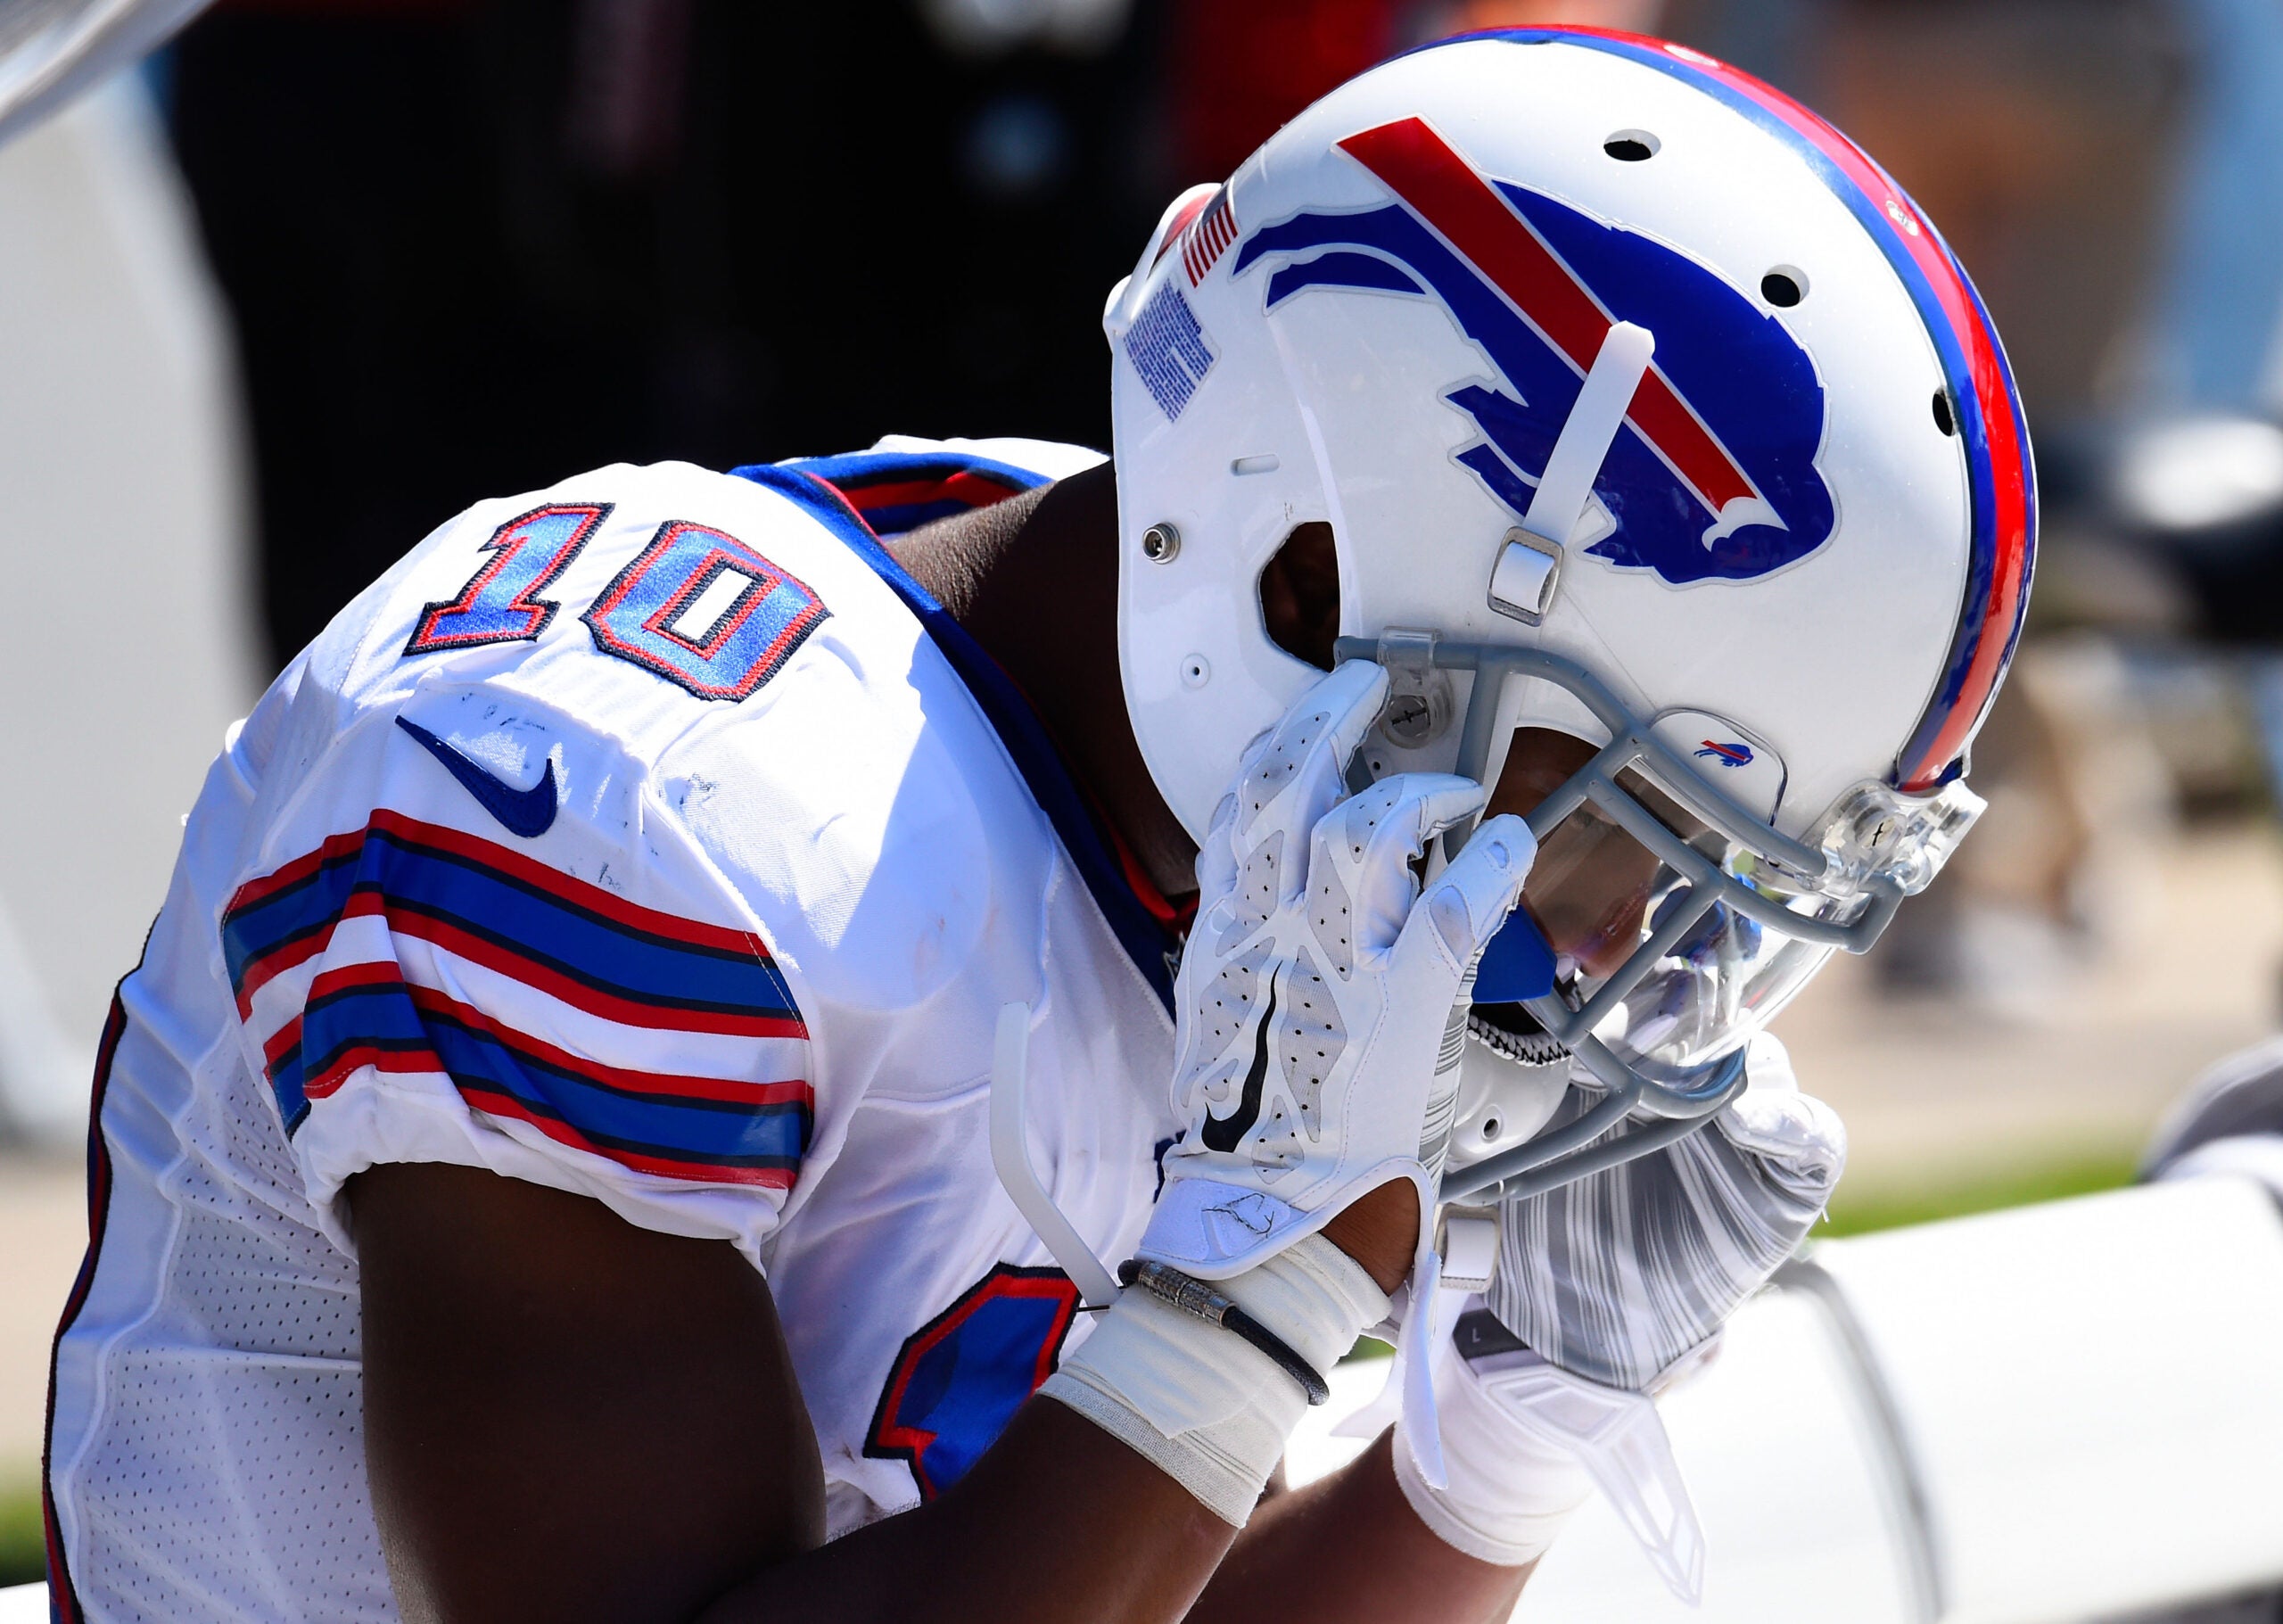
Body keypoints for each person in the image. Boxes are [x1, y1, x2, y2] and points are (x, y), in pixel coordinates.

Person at [41, 27, 2033, 1624]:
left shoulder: (1202, 739)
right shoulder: (630, 801)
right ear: (1313, 591)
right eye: (1611, 840)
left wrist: (1492, 1446)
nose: (1603, 957)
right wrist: (1241, 1301)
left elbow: (1114, 1576)